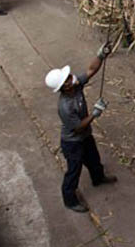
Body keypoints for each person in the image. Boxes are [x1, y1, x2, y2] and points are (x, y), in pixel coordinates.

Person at [45, 43, 118, 213]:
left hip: (85, 136)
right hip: (72, 142)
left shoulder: (75, 85)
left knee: (93, 158)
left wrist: (100, 55)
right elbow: (77, 127)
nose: (72, 76)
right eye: (68, 78)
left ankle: (98, 178)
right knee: (74, 170)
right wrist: (95, 113)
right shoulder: (65, 106)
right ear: (64, 86)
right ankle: (69, 199)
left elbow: (91, 71)